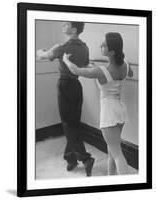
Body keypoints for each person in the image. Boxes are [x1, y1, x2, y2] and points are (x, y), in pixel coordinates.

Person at [62, 32, 133, 175]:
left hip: (109, 113)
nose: (101, 46)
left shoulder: (100, 71)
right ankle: (110, 179)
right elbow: (130, 74)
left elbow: (76, 70)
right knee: (112, 151)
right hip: (120, 111)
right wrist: (96, 69)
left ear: (111, 52)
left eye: (104, 44)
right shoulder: (125, 64)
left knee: (117, 154)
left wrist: (66, 60)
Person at [36, 21, 95, 177]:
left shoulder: (61, 47)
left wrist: (38, 50)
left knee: (68, 124)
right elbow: (85, 63)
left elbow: (44, 55)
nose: (63, 25)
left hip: (65, 86)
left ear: (73, 29)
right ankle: (70, 158)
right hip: (77, 85)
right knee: (73, 123)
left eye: (66, 24)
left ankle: (85, 158)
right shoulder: (85, 47)